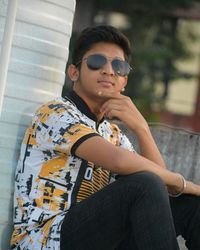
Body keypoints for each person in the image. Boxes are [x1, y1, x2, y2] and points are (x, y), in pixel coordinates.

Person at [10, 25, 200, 250]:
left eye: (119, 66)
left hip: (94, 239)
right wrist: (185, 184)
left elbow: (159, 184)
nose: (109, 71)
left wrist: (141, 128)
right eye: (97, 62)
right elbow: (128, 168)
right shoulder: (55, 112)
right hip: (45, 240)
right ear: (74, 72)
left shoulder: (112, 133)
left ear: (124, 81)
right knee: (145, 184)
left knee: (191, 205)